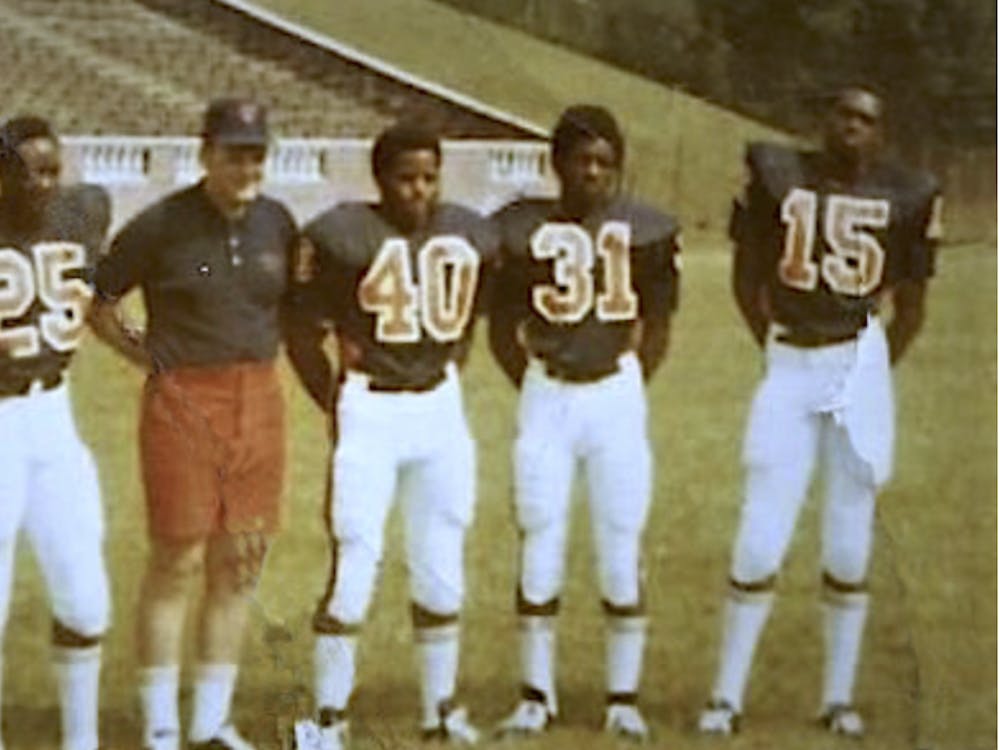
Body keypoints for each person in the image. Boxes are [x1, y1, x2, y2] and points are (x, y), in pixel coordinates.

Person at [697, 86, 942, 736]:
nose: (853, 128)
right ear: (824, 121)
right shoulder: (779, 176)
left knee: (848, 539)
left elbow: (912, 309)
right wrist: (778, 347)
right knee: (760, 533)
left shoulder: (908, 193)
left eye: (867, 119)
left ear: (881, 133)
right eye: (843, 115)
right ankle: (725, 697)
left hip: (856, 367)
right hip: (790, 364)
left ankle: (837, 700)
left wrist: (864, 373)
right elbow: (746, 279)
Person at [89, 98, 298, 750]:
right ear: (205, 153)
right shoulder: (161, 224)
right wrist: (142, 353)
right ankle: (159, 723)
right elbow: (98, 301)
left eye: (255, 153)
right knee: (176, 557)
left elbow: (290, 300)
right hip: (184, 399)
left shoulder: (277, 221)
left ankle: (210, 721)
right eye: (233, 152)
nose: (245, 166)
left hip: (257, 394)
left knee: (239, 561)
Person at [284, 122, 495, 750]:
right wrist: (336, 400)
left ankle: (440, 713)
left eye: (430, 177)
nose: (419, 191)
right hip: (370, 407)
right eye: (406, 178)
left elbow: (469, 324)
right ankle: (327, 720)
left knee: (441, 566)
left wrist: (445, 371)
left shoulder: (467, 232)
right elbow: (299, 335)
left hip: (438, 408)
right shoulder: (340, 235)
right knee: (355, 563)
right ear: (380, 179)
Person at [489, 104, 681, 742]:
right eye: (582, 159)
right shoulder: (521, 229)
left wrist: (622, 381)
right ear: (558, 163)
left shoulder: (648, 230)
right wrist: (543, 382)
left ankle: (622, 698)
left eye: (604, 161)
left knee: (620, 546)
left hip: (616, 395)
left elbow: (657, 328)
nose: (593, 172)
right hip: (549, 392)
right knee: (540, 542)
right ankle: (534, 696)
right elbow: (499, 333)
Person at [0, 116, 111, 750]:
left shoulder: (83, 212)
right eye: (30, 172)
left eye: (52, 170)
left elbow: (97, 305)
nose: (45, 184)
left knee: (85, 597)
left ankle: (81, 739)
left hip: (54, 418)